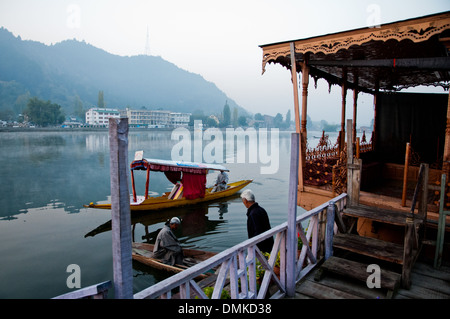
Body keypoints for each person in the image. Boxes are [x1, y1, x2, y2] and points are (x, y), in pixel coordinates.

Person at [240, 189, 274, 253]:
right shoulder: (261, 209)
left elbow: (257, 232)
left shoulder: (253, 214)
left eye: (243, 200)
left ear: (246, 201)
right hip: (269, 244)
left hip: (261, 248)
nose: (243, 202)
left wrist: (254, 248)